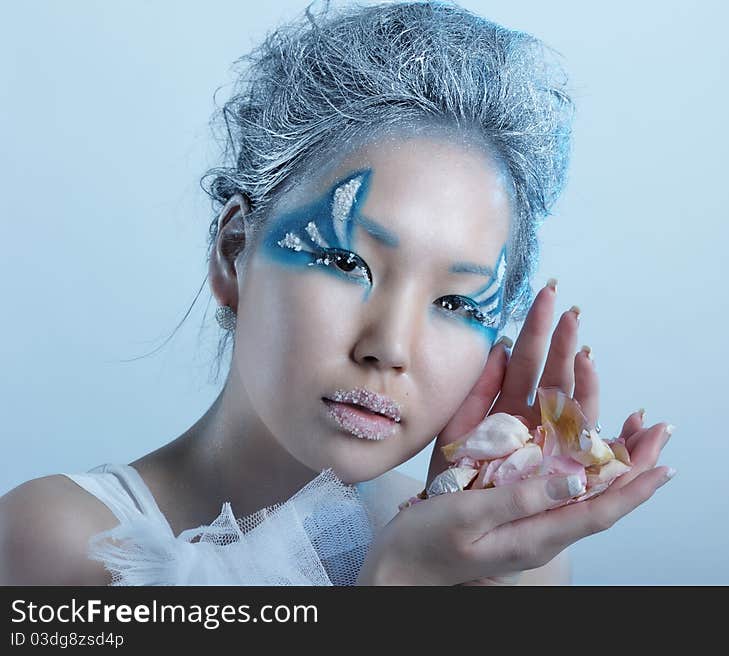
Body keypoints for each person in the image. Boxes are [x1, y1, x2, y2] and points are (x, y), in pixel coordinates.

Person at [0, 0, 675, 586]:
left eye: (458, 305)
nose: (388, 347)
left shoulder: (512, 563)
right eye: (346, 261)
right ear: (234, 252)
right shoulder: (59, 545)